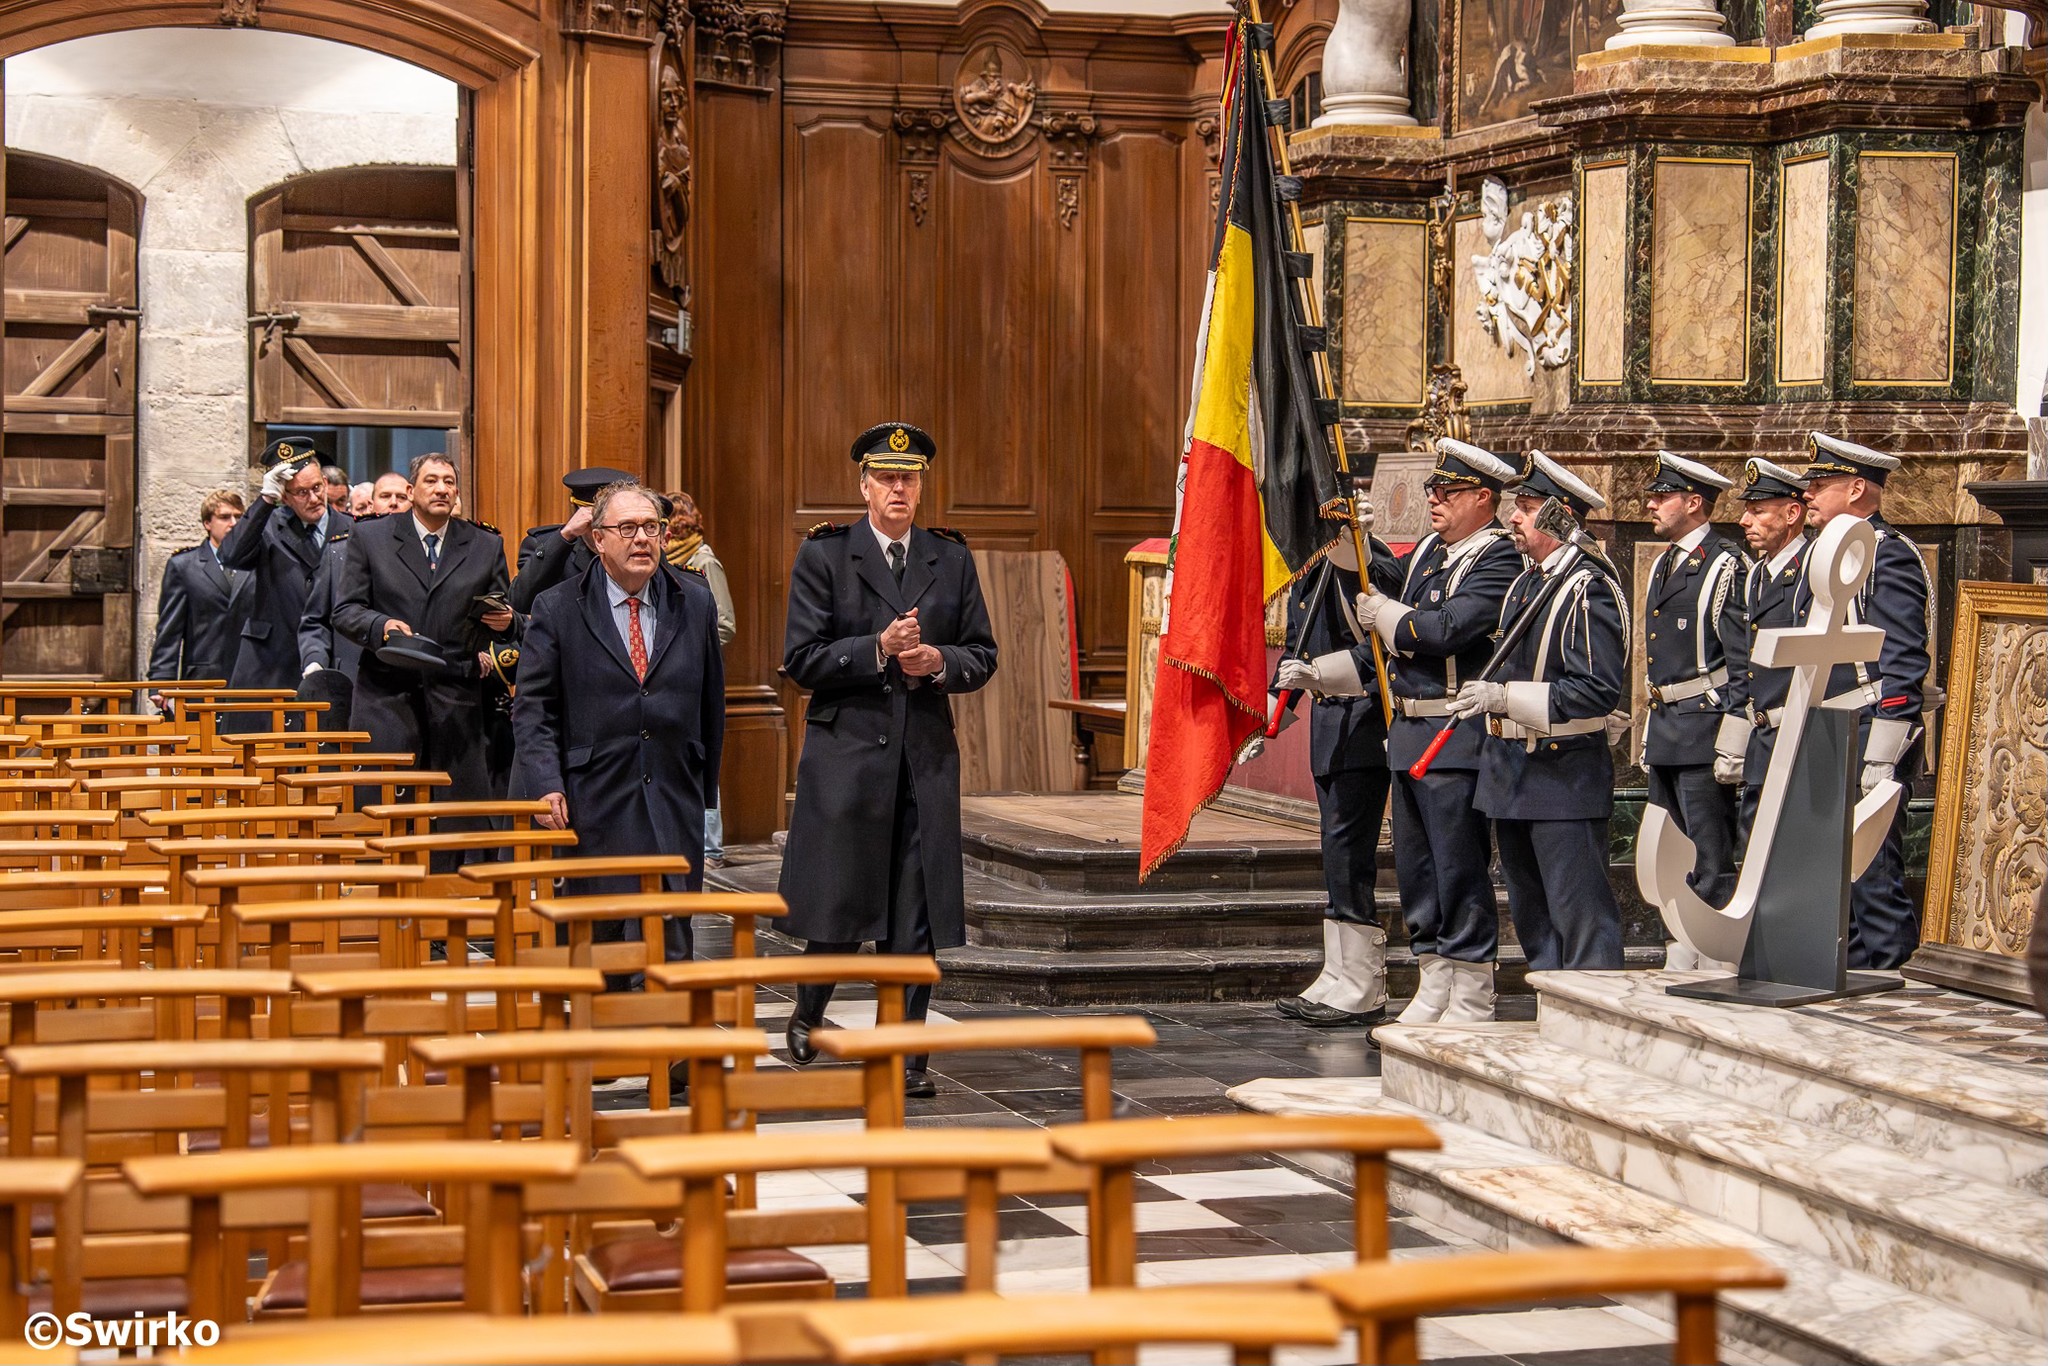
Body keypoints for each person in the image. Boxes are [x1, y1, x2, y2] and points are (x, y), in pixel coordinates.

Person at [778, 422, 998, 1098]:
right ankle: (809, 1014)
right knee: (841, 905)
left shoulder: (949, 559)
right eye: (887, 477)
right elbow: (800, 660)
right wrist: (874, 647)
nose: (899, 488)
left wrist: (940, 661)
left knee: (915, 916)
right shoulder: (825, 556)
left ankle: (909, 1056)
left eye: (910, 478)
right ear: (865, 486)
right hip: (847, 755)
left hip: (921, 757)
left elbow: (982, 655)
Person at [513, 481, 726, 985]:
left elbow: (711, 702)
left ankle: (672, 1056)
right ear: (597, 539)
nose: (641, 539)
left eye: (651, 528)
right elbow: (534, 708)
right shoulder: (558, 606)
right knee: (599, 943)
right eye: (626, 528)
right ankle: (602, 1057)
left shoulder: (693, 602)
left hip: (673, 791)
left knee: (672, 940)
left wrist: (705, 788)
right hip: (595, 795)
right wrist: (546, 781)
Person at [1354, 438, 1521, 1025]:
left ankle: (1472, 986)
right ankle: (1432, 975)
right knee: (1418, 867)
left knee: (1458, 865)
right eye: (1432, 490)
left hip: (1456, 733)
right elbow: (1391, 609)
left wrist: (1392, 617)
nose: (1434, 500)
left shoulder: (1498, 556)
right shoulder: (1429, 549)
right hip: (1409, 730)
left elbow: (1450, 629)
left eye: (1447, 492)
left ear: (1483, 497)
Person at [1450, 451, 1628, 983]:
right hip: (1512, 772)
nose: (1514, 518)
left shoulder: (1588, 584)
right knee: (1534, 918)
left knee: (1580, 917)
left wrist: (1506, 698)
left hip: (1561, 773)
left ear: (1560, 516)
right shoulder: (1528, 583)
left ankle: (1597, 1023)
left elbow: (1596, 689)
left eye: (1526, 508)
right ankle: (1556, 1017)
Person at [1800, 433, 1930, 970]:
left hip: (1868, 732)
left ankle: (1893, 989)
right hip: (1828, 731)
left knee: (1874, 879)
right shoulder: (1829, 553)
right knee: (1837, 885)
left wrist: (1883, 752)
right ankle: (1850, 980)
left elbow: (1902, 659)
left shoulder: (1886, 554)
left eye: (1821, 484)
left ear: (1857, 489)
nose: (1808, 493)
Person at [332, 453, 516, 813]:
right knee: (386, 810)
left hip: (455, 695)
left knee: (454, 817)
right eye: (431, 481)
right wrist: (379, 625)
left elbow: (498, 611)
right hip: (388, 693)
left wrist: (496, 632)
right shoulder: (372, 537)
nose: (441, 489)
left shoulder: (484, 544)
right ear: (411, 490)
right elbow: (345, 611)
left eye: (449, 481)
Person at [1269, 526, 1398, 1028]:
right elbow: (1296, 649)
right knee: (1336, 853)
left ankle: (1365, 983)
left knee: (1350, 850)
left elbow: (1380, 651)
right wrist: (1272, 709)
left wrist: (1318, 675)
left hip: (1362, 725)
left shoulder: (1367, 564)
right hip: (1330, 726)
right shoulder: (1311, 572)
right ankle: (1340, 972)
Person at [1640, 452, 1748, 954]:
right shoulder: (1665, 562)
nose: (1652, 504)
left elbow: (1740, 659)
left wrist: (1736, 729)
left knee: (1710, 851)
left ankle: (1711, 949)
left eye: (1663, 497)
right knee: (1671, 847)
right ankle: (1681, 941)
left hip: (1705, 728)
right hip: (1667, 726)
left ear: (1694, 502)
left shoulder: (1726, 565)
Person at [217, 438, 353, 715]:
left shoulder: (352, 529)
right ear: (286, 496)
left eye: (317, 487)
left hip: (329, 662)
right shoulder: (266, 525)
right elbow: (230, 555)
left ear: (325, 483)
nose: (314, 498)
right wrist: (266, 500)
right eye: (301, 492)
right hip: (273, 662)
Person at [1729, 458, 1812, 846]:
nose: (1746, 521)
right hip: (1763, 743)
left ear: (1793, 513)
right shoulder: (1757, 573)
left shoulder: (1814, 569)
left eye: (1757, 511)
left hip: (1801, 742)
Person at [666, 490, 736, 868]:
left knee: (703, 752)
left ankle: (710, 847)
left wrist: (690, 644)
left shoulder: (703, 560)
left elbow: (724, 623)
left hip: (694, 673)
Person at [147, 490, 252, 710]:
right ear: (207, 523)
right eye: (224, 517)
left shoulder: (255, 564)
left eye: (238, 516)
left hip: (249, 677)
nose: (233, 523)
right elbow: (170, 630)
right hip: (204, 678)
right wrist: (160, 683)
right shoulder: (185, 565)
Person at [510, 467, 632, 613]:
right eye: (598, 524)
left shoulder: (637, 543)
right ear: (580, 515)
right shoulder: (545, 544)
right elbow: (520, 602)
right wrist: (565, 536)